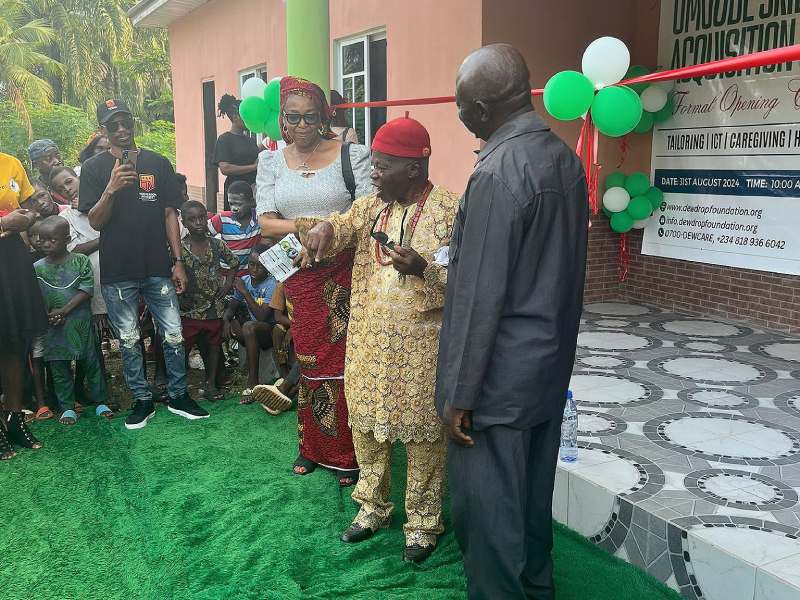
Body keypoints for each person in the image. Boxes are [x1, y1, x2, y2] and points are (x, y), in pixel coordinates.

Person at [436, 45, 588, 599]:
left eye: (459, 107)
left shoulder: (497, 172)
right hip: (546, 369)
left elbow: (479, 296)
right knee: (529, 505)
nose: (459, 117)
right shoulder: (563, 157)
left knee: (489, 518)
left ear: (478, 110)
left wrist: (459, 394)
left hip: (496, 382)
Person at [301, 115, 458, 563]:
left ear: (413, 168)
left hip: (422, 348)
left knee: (425, 439)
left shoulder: (451, 210)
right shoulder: (372, 207)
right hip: (368, 343)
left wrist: (424, 269)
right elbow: (342, 226)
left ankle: (424, 523)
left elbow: (468, 280)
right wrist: (325, 228)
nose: (373, 173)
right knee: (367, 428)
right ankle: (372, 507)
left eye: (382, 165)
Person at [256, 76, 371, 487]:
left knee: (343, 362)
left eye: (310, 117)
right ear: (283, 120)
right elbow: (265, 221)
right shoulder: (270, 161)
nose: (302, 125)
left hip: (344, 274)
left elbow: (367, 213)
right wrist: (307, 227)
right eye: (293, 117)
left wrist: (329, 230)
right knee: (307, 358)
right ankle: (312, 445)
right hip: (299, 276)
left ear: (324, 117)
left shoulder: (351, 156)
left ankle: (349, 450)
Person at [79, 98, 208, 429]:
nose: (122, 129)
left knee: (174, 333)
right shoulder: (93, 170)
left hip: (157, 265)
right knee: (129, 338)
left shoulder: (158, 162)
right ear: (103, 130)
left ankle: (179, 395)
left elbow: (169, 213)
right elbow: (95, 221)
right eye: (113, 125)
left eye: (125, 122)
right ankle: (142, 400)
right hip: (118, 270)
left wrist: (178, 261)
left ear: (133, 123)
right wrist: (110, 189)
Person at [33, 216, 113, 424]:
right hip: (53, 326)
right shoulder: (37, 268)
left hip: (80, 322)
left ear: (67, 239)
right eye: (42, 240)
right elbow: (36, 296)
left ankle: (100, 402)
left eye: (53, 240)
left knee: (91, 362)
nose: (46, 244)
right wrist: (49, 316)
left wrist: (64, 310)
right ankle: (67, 407)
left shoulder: (80, 261)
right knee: (59, 366)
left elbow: (87, 290)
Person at [0, 152, 48, 459]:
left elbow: (30, 207)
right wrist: (4, 220)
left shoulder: (10, 163)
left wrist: (29, 217)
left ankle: (14, 418)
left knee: (16, 342)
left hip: (11, 258)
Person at [178, 200, 239, 401]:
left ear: (207, 217)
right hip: (189, 309)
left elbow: (233, 263)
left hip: (214, 307)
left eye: (201, 217)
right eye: (192, 219)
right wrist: (178, 295)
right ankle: (179, 388)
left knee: (214, 346)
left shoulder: (216, 243)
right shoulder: (179, 248)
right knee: (183, 347)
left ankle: (211, 384)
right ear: (183, 222)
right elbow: (168, 273)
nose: (198, 223)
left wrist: (228, 285)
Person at [222, 245, 277, 403]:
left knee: (248, 325)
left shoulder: (271, 284)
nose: (254, 269)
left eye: (260, 265)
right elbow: (231, 307)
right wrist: (226, 320)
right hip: (252, 332)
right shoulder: (245, 280)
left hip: (269, 330)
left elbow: (261, 316)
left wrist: (245, 292)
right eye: (251, 264)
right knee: (232, 323)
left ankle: (252, 381)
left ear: (268, 267)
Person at [252, 282, 299, 413]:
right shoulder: (283, 284)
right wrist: (294, 327)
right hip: (302, 327)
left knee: (310, 345)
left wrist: (296, 329)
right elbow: (277, 316)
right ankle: (286, 385)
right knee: (278, 330)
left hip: (313, 330)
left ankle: (286, 391)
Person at [214, 94, 261, 210]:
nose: (249, 119)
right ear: (235, 117)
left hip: (253, 190)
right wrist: (253, 167)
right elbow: (225, 168)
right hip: (235, 193)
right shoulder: (224, 139)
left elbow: (255, 157)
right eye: (245, 116)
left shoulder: (250, 140)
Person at [207, 180, 261, 277]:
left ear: (251, 202)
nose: (234, 208)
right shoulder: (222, 218)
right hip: (225, 274)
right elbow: (202, 234)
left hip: (248, 275)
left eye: (239, 204)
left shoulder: (259, 218)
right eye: (231, 204)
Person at [28, 139, 68, 205]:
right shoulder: (37, 191)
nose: (57, 161)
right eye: (49, 158)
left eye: (57, 155)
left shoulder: (74, 178)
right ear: (36, 164)